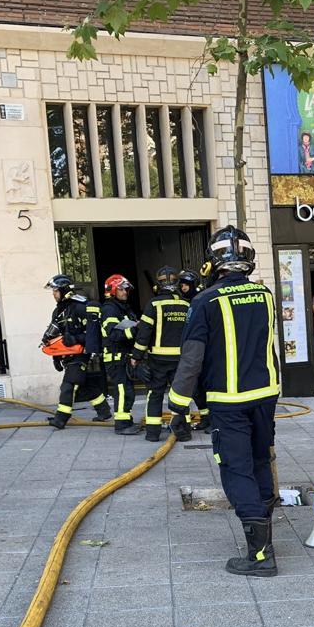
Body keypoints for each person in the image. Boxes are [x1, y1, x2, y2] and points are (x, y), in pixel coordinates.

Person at [167, 226, 281, 577]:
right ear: (248, 258)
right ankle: (265, 540)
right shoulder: (264, 295)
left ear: (213, 261)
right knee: (261, 460)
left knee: (236, 469)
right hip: (265, 395)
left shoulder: (204, 302)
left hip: (228, 401)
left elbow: (191, 360)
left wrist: (177, 406)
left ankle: (260, 557)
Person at [43, 275, 112, 429]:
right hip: (68, 355)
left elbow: (94, 333)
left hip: (81, 354)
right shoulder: (58, 312)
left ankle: (61, 418)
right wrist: (56, 356)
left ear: (64, 290)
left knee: (69, 385)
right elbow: (58, 337)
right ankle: (104, 411)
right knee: (85, 384)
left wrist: (75, 339)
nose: (53, 294)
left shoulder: (80, 307)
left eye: (55, 290)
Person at [130, 266, 190, 441]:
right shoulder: (187, 305)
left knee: (155, 394)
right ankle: (183, 432)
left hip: (158, 360)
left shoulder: (153, 304)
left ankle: (153, 433)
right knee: (180, 395)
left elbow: (144, 334)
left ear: (159, 283)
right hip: (181, 359)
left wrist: (136, 357)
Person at [100, 274, 142, 436]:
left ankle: (126, 420)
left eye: (126, 289)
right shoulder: (110, 309)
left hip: (123, 356)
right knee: (123, 391)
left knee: (127, 390)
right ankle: (122, 425)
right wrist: (135, 329)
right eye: (122, 289)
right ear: (112, 290)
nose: (125, 292)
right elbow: (113, 335)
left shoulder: (124, 308)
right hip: (115, 357)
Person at [178, 269, 210, 432]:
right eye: (182, 285)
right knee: (197, 389)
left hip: (205, 351)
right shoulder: (184, 302)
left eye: (186, 285)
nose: (183, 288)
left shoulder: (201, 300)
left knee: (208, 387)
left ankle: (213, 420)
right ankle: (205, 417)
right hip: (193, 352)